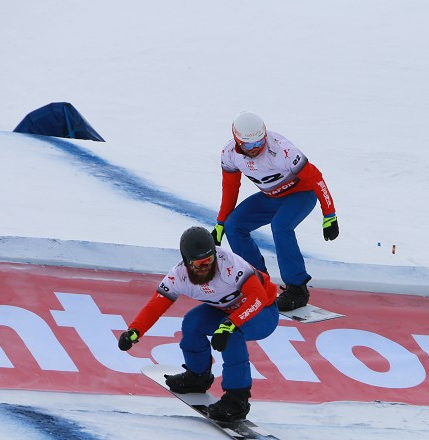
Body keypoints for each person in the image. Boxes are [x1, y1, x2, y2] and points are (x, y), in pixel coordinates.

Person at [117, 227, 280, 422]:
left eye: (208, 261)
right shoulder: (178, 276)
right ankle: (197, 376)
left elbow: (258, 297)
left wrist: (230, 324)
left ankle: (237, 399)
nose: (204, 267)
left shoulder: (229, 264)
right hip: (225, 311)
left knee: (232, 335)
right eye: (197, 263)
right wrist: (135, 330)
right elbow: (156, 305)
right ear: (186, 262)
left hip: (263, 312)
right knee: (192, 323)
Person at [211, 111, 338, 312]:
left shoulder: (282, 150)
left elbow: (316, 178)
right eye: (249, 145)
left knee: (281, 226)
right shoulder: (230, 154)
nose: (255, 149)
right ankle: (256, 280)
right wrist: (220, 222)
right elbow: (230, 188)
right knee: (234, 225)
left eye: (260, 142)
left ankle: (297, 288)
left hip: (301, 194)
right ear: (237, 141)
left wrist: (329, 215)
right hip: (272, 197)